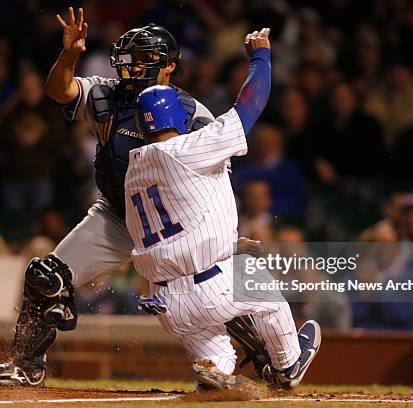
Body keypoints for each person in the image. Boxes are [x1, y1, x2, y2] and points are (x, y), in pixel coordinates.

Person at [0, 7, 270, 387]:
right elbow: (59, 91)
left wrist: (226, 239)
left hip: (173, 229)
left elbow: (213, 186)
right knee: (44, 276)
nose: (133, 68)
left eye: (145, 60)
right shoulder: (108, 96)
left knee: (207, 290)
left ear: (169, 67)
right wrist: (69, 55)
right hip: (117, 216)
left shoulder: (192, 115)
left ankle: (266, 353)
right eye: (130, 60)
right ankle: (26, 364)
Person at [125, 28, 321, 390]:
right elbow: (250, 105)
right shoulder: (188, 149)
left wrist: (223, 245)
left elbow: (179, 222)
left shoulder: (134, 169)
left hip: (168, 302)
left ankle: (213, 374)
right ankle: (288, 365)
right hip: (211, 285)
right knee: (265, 293)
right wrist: (261, 56)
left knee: (217, 357)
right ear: (177, 118)